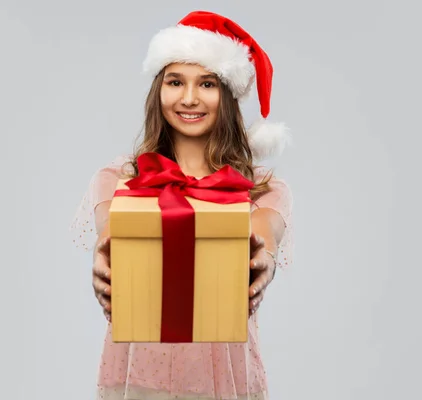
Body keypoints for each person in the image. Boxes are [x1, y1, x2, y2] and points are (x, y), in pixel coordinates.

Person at [69, 10, 294, 400]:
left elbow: (264, 234)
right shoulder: (118, 179)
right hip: (139, 378)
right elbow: (110, 231)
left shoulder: (262, 188)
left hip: (224, 381)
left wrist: (264, 259)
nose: (189, 98)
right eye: (176, 81)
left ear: (226, 93)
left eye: (206, 83)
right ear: (159, 90)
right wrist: (105, 254)